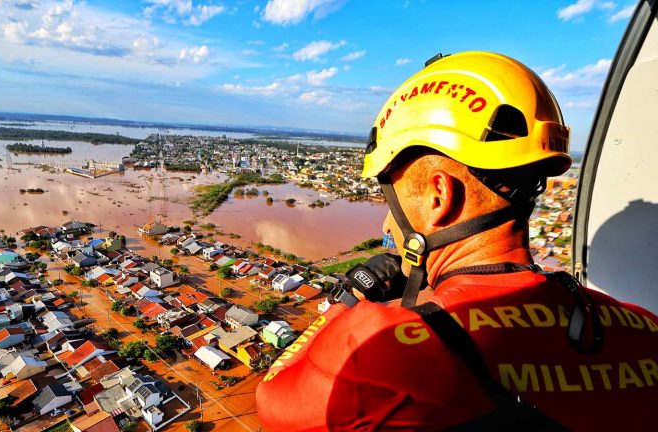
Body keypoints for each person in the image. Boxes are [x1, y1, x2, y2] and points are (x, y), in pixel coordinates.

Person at [255, 51, 658, 431]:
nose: (387, 222)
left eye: (391, 202)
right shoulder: (642, 328)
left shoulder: (382, 351)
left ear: (439, 197)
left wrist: (351, 298)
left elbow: (272, 398)